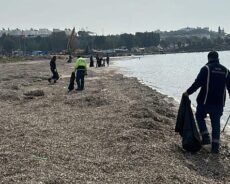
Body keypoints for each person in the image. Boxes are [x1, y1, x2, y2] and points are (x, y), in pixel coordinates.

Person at [183, 51, 230, 153]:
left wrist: (187, 92)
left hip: (205, 102)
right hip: (218, 103)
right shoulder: (226, 71)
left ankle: (205, 136)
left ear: (209, 58)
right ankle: (215, 147)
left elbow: (197, 83)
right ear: (218, 58)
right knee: (216, 124)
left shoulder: (206, 69)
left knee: (199, 116)